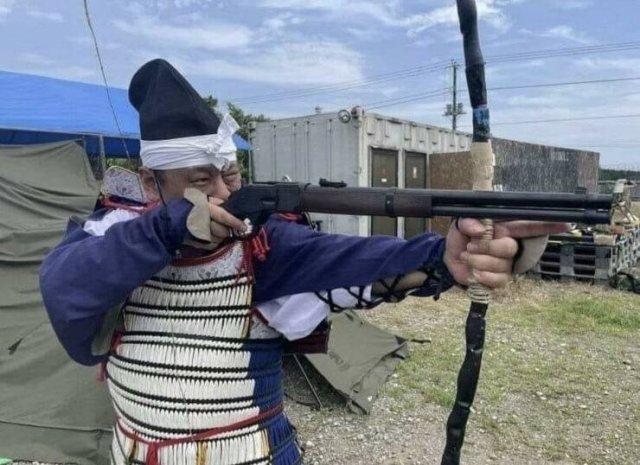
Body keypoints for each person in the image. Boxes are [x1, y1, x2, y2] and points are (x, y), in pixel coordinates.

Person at [40, 59, 567, 465]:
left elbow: (368, 262)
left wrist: (448, 257)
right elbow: (65, 291)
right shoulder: (114, 236)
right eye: (201, 180)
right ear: (152, 184)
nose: (223, 193)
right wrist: (166, 228)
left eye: (231, 174)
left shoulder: (265, 247)